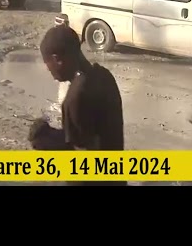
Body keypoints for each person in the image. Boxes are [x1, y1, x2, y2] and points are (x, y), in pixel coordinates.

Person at [28, 25, 126, 186]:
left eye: (48, 65)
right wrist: (57, 135)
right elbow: (95, 136)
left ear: (56, 59)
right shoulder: (104, 76)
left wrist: (48, 143)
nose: (50, 73)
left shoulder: (75, 98)